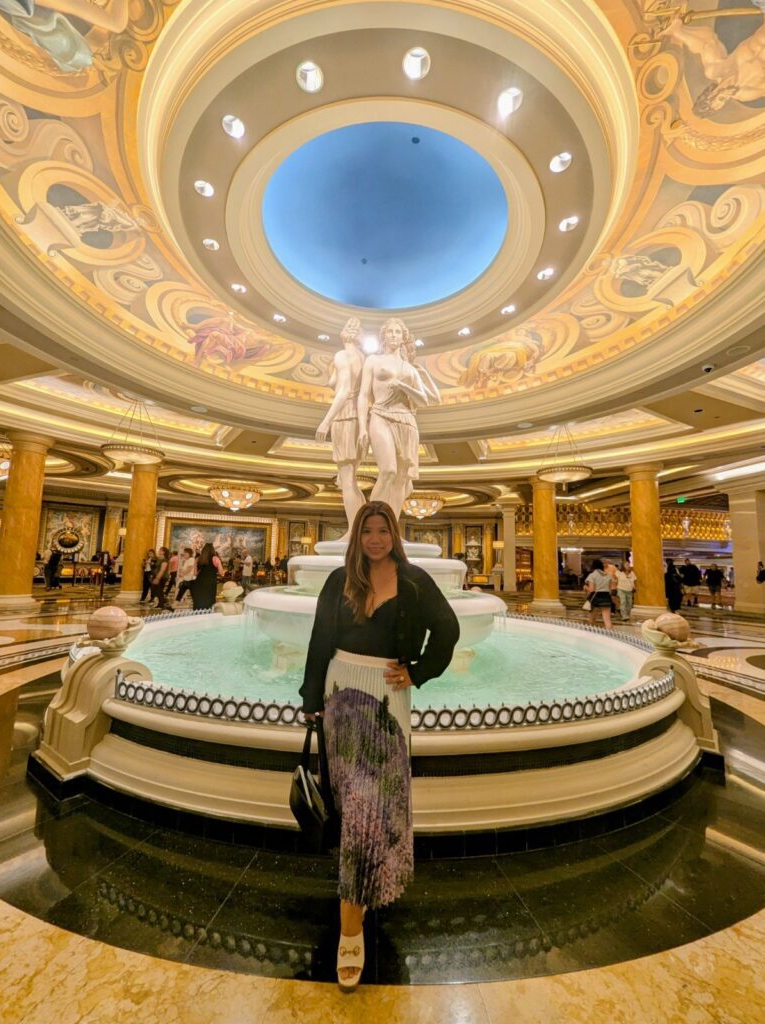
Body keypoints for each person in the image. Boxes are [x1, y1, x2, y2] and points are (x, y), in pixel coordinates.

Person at [300, 501, 459, 991]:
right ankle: (357, 911)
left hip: (389, 695)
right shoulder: (338, 580)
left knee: (373, 806)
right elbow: (319, 640)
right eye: (366, 530)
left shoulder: (414, 581)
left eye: (382, 529)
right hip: (339, 689)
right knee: (354, 805)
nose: (374, 538)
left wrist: (420, 671)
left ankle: (354, 924)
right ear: (356, 535)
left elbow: (448, 630)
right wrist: (310, 699)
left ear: (395, 533)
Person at [357, 318, 434, 521]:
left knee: (401, 478)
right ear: (384, 336)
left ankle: (392, 527)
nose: (393, 335)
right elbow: (364, 395)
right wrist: (362, 428)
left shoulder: (409, 368)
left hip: (407, 420)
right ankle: (370, 523)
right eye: (389, 331)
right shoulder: (373, 360)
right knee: (388, 471)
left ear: (403, 337)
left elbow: (424, 400)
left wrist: (403, 386)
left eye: (397, 332)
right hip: (380, 414)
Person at [315, 317, 367, 536]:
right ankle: (359, 528)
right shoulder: (361, 357)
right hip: (356, 417)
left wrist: (325, 421)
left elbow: (344, 390)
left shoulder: (343, 356)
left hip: (346, 416)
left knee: (347, 479)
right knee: (350, 478)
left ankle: (354, 532)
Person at [584, 558, 615, 629]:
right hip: (606, 596)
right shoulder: (608, 575)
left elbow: (591, 589)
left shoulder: (592, 575)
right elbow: (610, 589)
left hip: (595, 596)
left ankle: (592, 633)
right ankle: (610, 634)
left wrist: (586, 587)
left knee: (592, 618)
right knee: (607, 619)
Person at [191, 542, 223, 610]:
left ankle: (197, 615)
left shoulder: (198, 559)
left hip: (199, 582)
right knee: (209, 600)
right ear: (212, 550)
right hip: (210, 582)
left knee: (199, 599)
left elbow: (195, 573)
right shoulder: (215, 558)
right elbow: (221, 572)